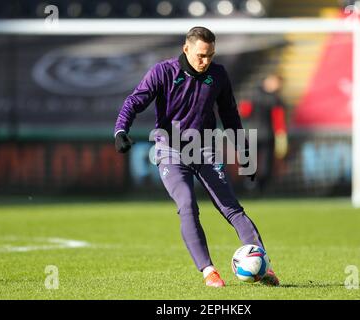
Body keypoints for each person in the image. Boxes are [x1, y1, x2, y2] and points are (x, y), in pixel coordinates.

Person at [114, 26, 279, 288]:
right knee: (188, 205)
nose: (206, 62)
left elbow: (230, 117)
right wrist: (121, 130)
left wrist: (245, 154)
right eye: (201, 55)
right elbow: (134, 102)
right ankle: (209, 271)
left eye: (211, 55)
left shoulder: (218, 75)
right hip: (170, 150)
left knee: (231, 207)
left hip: (205, 149)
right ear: (186, 48)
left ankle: (263, 265)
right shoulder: (163, 72)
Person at [238, 73, 288, 194]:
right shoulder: (275, 99)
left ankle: (252, 186)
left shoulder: (251, 95)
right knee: (264, 164)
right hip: (265, 135)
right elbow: (279, 120)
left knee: (254, 163)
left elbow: (243, 113)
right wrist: (281, 135)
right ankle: (259, 187)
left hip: (253, 134)